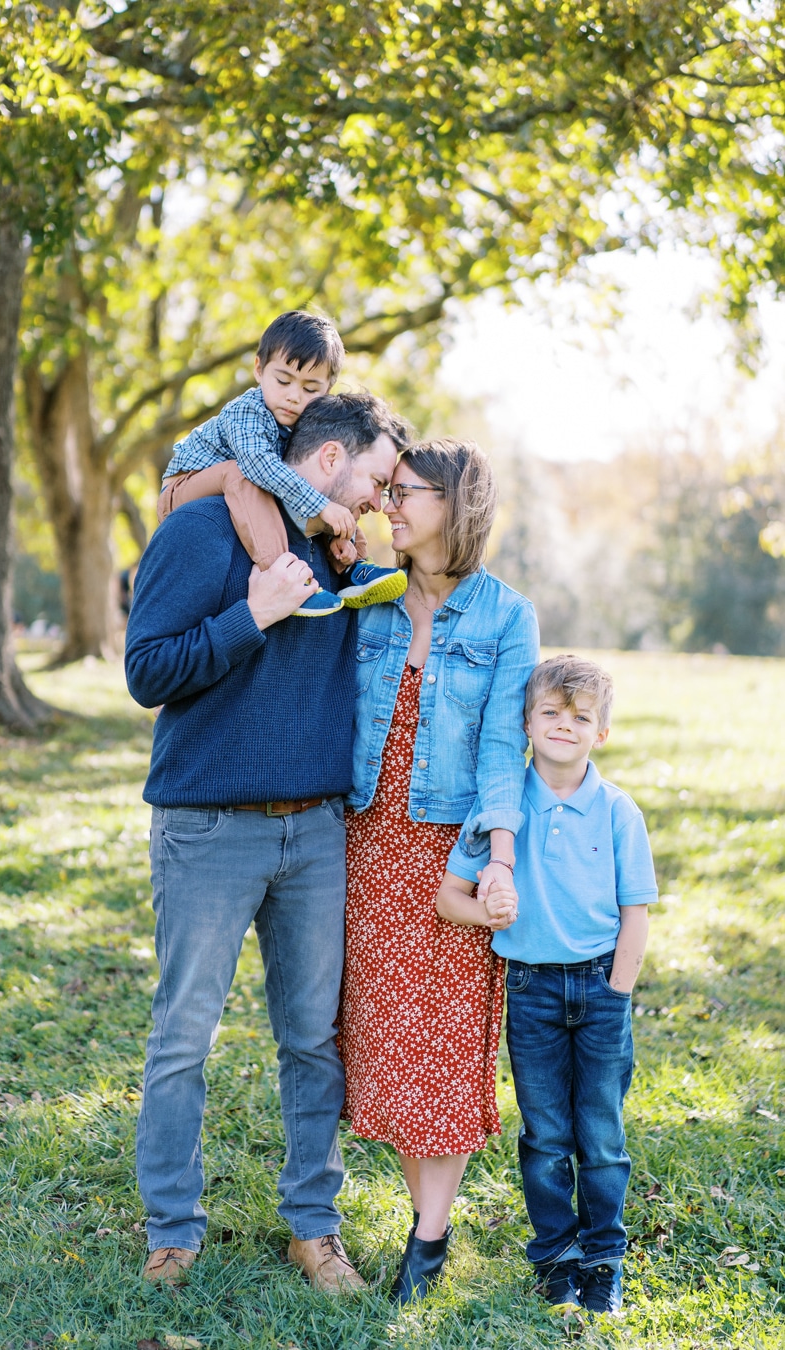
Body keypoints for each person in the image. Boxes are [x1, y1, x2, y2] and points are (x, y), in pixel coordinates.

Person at [125, 392, 403, 1295]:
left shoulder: (343, 553)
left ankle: (313, 1230)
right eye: (374, 479)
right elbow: (147, 671)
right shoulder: (200, 532)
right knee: (182, 1040)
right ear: (328, 460)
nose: (378, 500)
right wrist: (253, 614)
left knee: (313, 1041)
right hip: (208, 829)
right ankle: (172, 1231)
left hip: (316, 834)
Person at [338, 437, 540, 1305]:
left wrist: (498, 862)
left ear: (454, 507)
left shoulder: (505, 617)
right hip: (366, 837)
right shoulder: (368, 597)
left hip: (449, 854)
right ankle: (398, 1214)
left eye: (406, 492)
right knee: (383, 1040)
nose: (390, 504)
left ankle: (429, 1236)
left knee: (445, 1045)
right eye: (389, 490)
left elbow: (505, 747)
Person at [436, 654, 658, 1316]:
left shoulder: (618, 811)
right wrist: (487, 911)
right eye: (551, 713)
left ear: (602, 732)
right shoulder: (502, 809)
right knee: (546, 1134)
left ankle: (604, 1261)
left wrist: (617, 996)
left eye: (581, 716)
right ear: (527, 723)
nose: (565, 725)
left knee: (601, 1132)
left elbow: (635, 916)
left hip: (599, 992)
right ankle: (556, 1259)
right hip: (529, 991)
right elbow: (452, 897)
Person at [157, 309, 406, 615]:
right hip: (182, 490)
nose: (293, 396)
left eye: (310, 389)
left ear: (327, 389)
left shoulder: (298, 424)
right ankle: (284, 577)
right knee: (244, 475)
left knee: (332, 492)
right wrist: (321, 506)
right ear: (259, 369)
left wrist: (334, 515)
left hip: (238, 489)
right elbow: (259, 465)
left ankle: (354, 567)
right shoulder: (247, 411)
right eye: (283, 380)